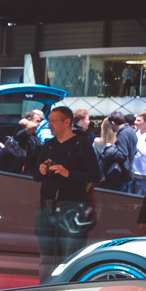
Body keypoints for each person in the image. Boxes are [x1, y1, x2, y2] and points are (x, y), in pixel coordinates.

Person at [35, 106, 99, 280]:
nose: (50, 124)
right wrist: (41, 170)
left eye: (53, 121)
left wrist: (68, 173)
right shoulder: (49, 145)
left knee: (71, 258)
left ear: (66, 122)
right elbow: (35, 176)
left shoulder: (81, 144)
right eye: (49, 121)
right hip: (47, 206)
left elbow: (95, 175)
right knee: (47, 258)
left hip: (72, 208)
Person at [98, 112, 137, 193]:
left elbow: (121, 154)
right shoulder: (131, 131)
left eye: (110, 125)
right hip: (127, 172)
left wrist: (108, 150)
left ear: (113, 123)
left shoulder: (123, 133)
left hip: (121, 174)